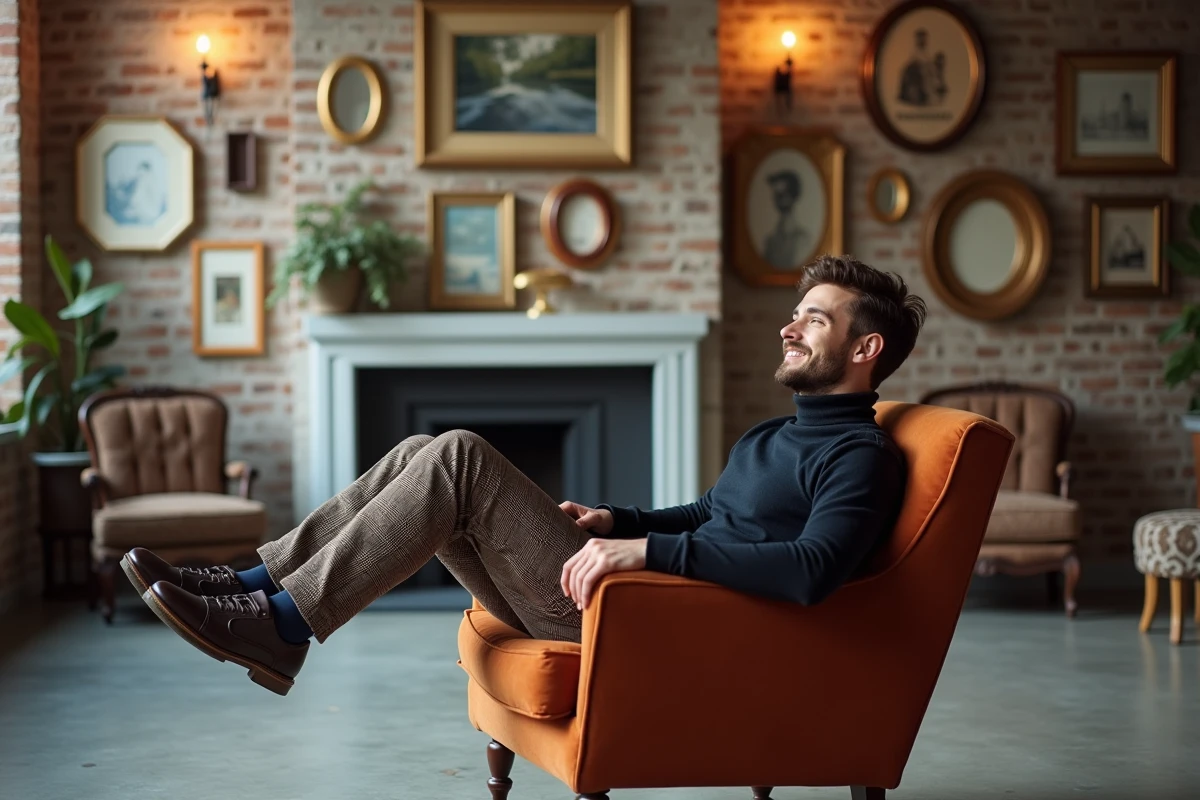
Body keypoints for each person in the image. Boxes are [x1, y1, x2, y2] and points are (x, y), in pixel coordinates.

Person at [122, 255, 928, 696]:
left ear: (866, 351)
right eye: (798, 312)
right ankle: (253, 585)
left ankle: (284, 623)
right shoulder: (773, 436)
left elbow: (813, 571)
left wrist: (647, 557)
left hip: (668, 621)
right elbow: (709, 514)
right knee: (419, 453)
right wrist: (618, 523)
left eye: (814, 319)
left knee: (460, 455)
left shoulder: (859, 457)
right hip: (650, 597)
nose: (789, 326)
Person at [762, 170, 806, 269]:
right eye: (776, 194)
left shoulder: (803, 241)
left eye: (782, 194)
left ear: (792, 195)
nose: (777, 198)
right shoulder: (771, 241)